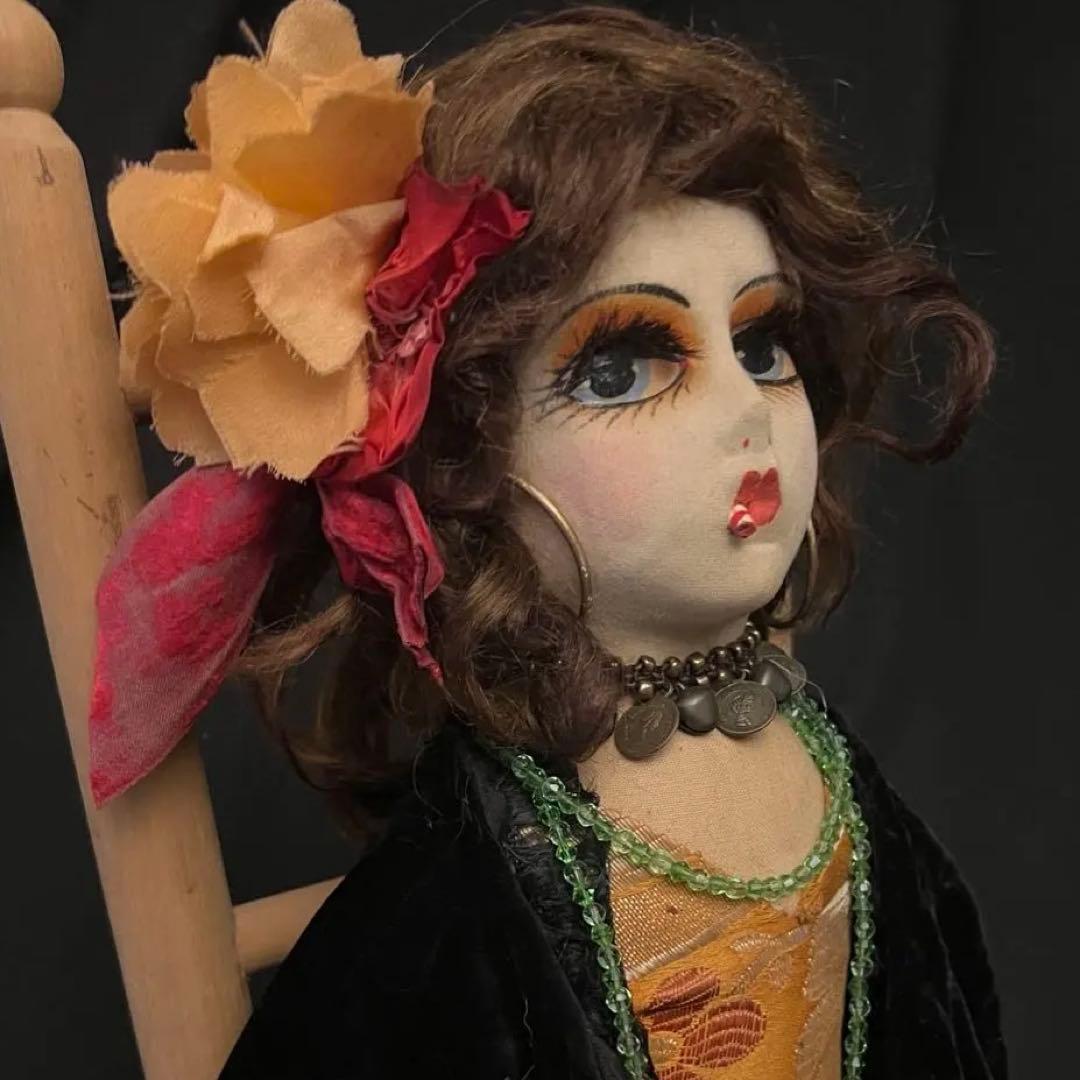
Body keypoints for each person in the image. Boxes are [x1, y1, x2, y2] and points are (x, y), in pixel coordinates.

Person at [88, 2, 1007, 1077]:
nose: (746, 411)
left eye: (762, 343)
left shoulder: (825, 759)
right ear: (457, 449)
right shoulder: (486, 867)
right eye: (620, 367)